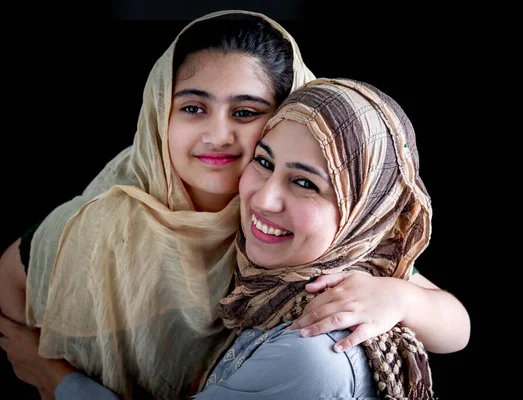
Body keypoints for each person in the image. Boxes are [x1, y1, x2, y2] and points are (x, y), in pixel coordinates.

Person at [2, 78, 471, 400]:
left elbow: (459, 328)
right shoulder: (339, 265)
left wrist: (54, 378)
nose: (264, 199)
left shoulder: (316, 343)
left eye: (306, 183)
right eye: (264, 162)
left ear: (366, 211)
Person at [0, 9, 315, 399]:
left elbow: (410, 292)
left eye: (245, 112)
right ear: (159, 114)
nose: (218, 135)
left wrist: (396, 300)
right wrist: (43, 367)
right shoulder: (112, 219)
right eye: (193, 108)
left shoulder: (305, 213)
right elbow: (11, 275)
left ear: (286, 119)